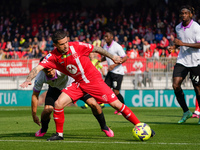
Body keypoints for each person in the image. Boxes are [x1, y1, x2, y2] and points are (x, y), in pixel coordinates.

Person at [20, 30, 155, 141]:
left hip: (94, 81)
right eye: (62, 44)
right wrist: (28, 79)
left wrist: (112, 57)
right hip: (78, 83)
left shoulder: (76, 46)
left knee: (116, 104)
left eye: (66, 42)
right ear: (55, 45)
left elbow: (96, 48)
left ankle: (140, 125)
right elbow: (37, 68)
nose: (66, 46)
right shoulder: (52, 56)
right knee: (58, 104)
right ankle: (59, 135)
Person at [32, 60, 113, 138]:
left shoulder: (62, 68)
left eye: (52, 70)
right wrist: (34, 115)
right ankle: (43, 129)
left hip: (74, 86)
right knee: (47, 110)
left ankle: (104, 127)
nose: (51, 73)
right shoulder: (40, 77)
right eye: (47, 71)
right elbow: (35, 95)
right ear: (42, 70)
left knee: (93, 104)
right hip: (55, 89)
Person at [169, 5, 200, 124]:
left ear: (191, 15)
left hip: (196, 61)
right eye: (182, 13)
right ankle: (186, 111)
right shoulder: (178, 27)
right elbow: (180, 42)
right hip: (182, 60)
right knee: (175, 85)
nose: (183, 15)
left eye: (186, 13)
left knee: (197, 89)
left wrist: (182, 44)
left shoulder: (197, 27)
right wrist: (174, 46)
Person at [102, 28, 128, 115]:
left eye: (107, 36)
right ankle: (101, 103)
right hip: (111, 72)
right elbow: (105, 56)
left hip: (118, 72)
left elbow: (125, 57)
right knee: (104, 88)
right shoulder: (105, 46)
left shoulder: (117, 46)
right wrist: (98, 61)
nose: (105, 38)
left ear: (112, 37)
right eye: (105, 36)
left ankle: (123, 108)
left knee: (116, 92)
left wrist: (114, 65)